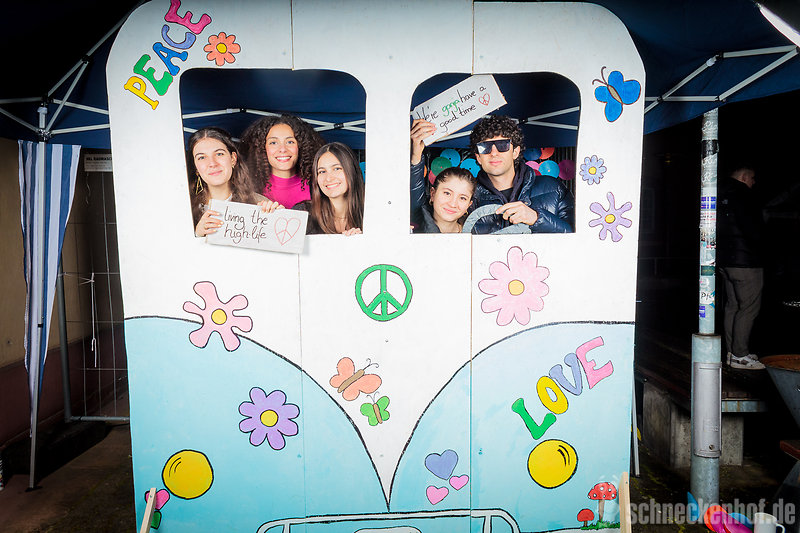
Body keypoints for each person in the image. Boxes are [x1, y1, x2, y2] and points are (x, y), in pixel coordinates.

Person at [410, 116, 574, 234]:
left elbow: (581, 238)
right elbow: (421, 212)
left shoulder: (553, 188)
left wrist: (537, 218)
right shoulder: (468, 199)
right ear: (478, 157)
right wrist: (416, 156)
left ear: (515, 152)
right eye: (485, 148)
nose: (494, 153)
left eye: (502, 145)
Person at [188, 127, 282, 237]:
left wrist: (279, 220)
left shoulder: (259, 203)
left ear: (233, 159)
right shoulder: (184, 208)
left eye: (219, 154)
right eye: (202, 157)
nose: (212, 163)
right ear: (195, 167)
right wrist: (197, 235)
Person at [718, 166, 766, 370]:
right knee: (748, 307)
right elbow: (753, 229)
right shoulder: (743, 194)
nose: (754, 182)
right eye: (752, 178)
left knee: (733, 305)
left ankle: (732, 352)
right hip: (745, 261)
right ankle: (740, 355)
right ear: (744, 176)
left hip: (725, 261)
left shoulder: (719, 193)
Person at [239, 114, 325, 208]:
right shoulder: (247, 188)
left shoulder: (319, 183)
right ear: (262, 148)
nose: (283, 149)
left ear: (301, 146)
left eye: (290, 142)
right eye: (273, 143)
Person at [299, 142, 364, 235]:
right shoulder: (303, 213)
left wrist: (362, 241)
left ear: (352, 171)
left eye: (337, 169)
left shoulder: (372, 214)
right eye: (322, 171)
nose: (328, 178)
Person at [412, 167, 476, 233]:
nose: (453, 204)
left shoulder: (475, 235)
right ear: (433, 194)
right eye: (447, 193)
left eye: (462, 198)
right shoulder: (411, 233)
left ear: (469, 205)